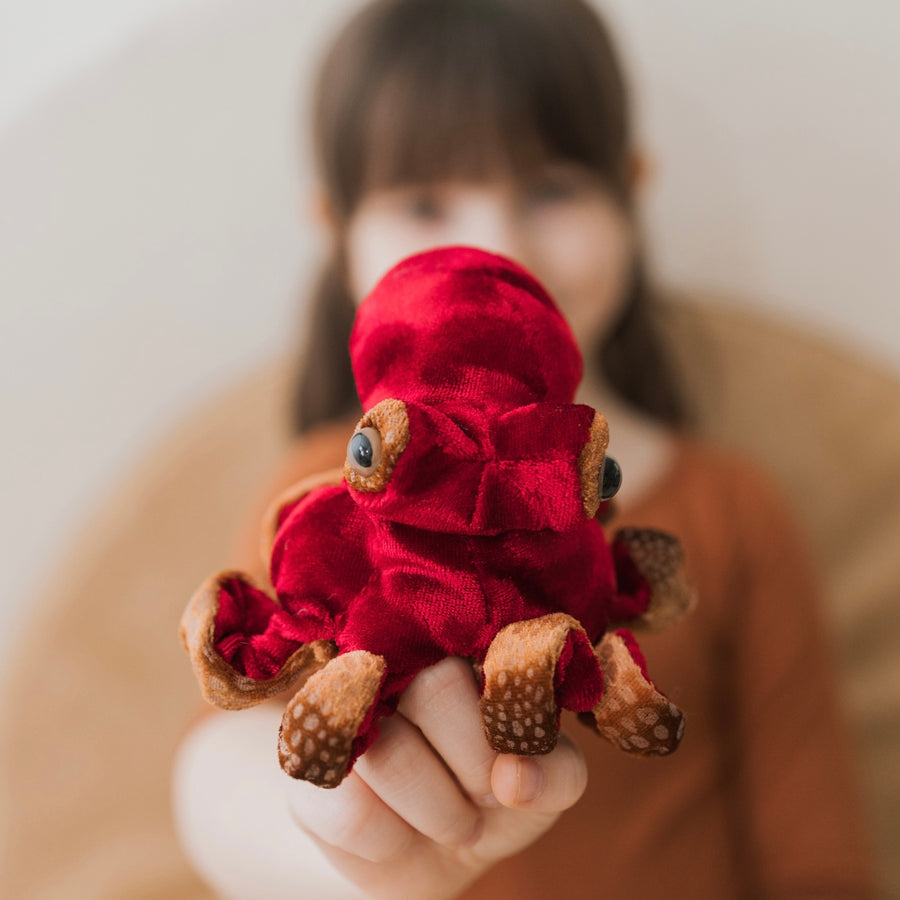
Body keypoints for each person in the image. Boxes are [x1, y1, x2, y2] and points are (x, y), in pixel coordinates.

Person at [173, 1, 875, 897]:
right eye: (424, 200)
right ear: (337, 233)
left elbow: (819, 858)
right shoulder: (319, 491)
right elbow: (214, 773)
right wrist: (339, 854)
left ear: (631, 187)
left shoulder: (734, 510)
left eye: (550, 187)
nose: (498, 248)